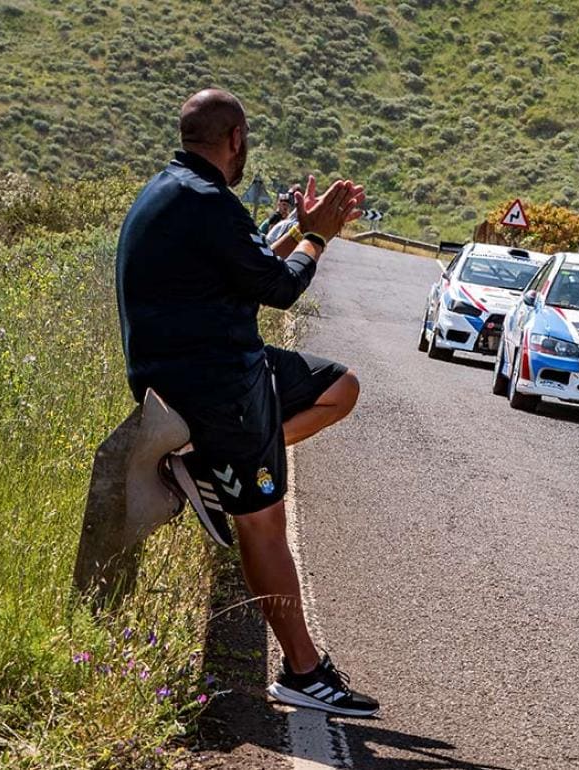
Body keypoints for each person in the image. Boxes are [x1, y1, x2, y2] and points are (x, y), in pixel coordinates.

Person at [115, 88, 378, 717]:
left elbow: (250, 266)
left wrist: (298, 229)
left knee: (341, 387)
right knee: (264, 522)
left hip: (202, 374)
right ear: (235, 139)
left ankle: (215, 463)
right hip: (219, 387)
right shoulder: (211, 203)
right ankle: (303, 672)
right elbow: (281, 289)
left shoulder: (174, 192)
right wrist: (318, 240)